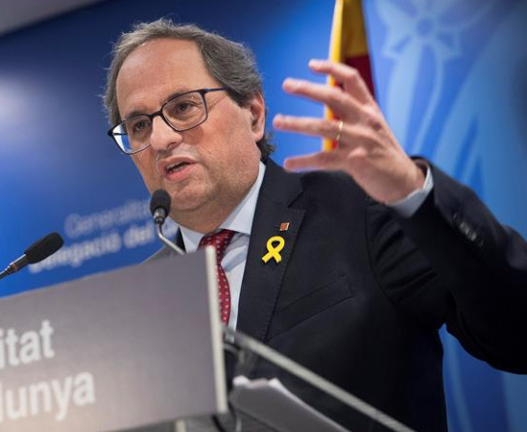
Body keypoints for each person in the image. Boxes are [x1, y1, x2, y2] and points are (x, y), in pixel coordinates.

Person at [103, 19, 527, 431]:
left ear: (254, 114)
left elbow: (517, 332)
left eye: (183, 107)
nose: (161, 139)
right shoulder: (140, 302)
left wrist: (414, 194)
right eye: (139, 125)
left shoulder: (360, 209)